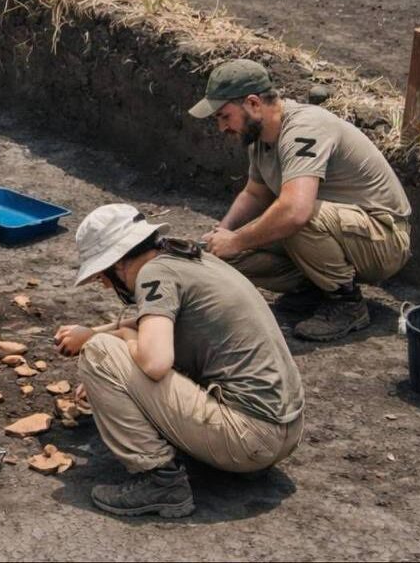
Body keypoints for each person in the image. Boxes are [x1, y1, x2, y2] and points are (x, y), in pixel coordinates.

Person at [55, 204, 304, 518]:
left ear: (118, 263)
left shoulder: (152, 275)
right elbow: (156, 325)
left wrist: (100, 346)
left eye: (102, 274)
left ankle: (161, 483)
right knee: (109, 346)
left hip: (249, 437)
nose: (104, 284)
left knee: (100, 353)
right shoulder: (188, 259)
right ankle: (229, 462)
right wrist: (99, 333)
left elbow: (155, 362)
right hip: (284, 431)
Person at [190, 59, 411, 341]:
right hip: (341, 234)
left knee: (294, 215)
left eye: (225, 116)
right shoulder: (259, 137)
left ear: (254, 103)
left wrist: (236, 240)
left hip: (384, 239)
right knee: (230, 258)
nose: (222, 127)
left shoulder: (305, 128)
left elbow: (295, 211)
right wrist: (221, 237)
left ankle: (346, 303)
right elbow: (255, 194)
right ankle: (315, 290)